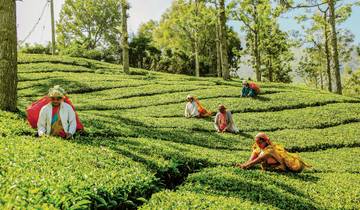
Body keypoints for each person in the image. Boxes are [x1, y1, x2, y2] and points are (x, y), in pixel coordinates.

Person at [236, 133, 310, 172]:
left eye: (260, 142)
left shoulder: (270, 150)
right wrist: (244, 164)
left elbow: (260, 159)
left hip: (279, 167)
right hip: (269, 167)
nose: (258, 144)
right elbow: (251, 160)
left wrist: (246, 166)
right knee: (256, 153)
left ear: (265, 141)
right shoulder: (258, 148)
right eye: (257, 142)